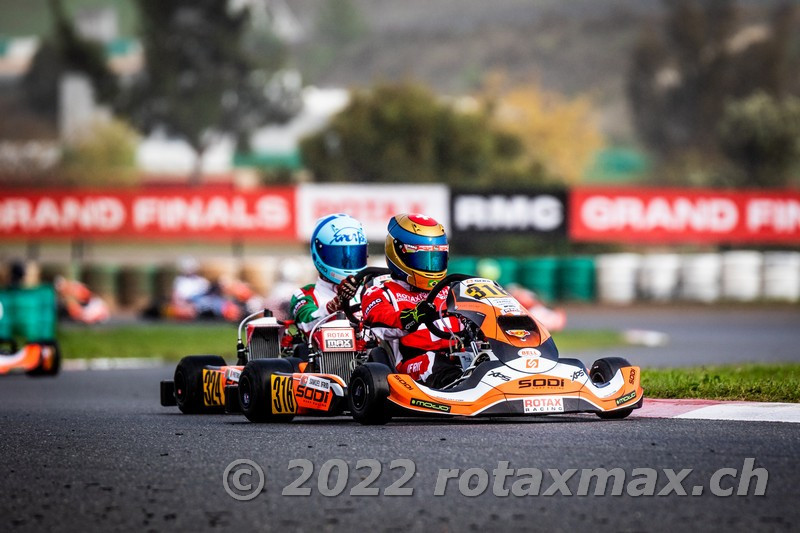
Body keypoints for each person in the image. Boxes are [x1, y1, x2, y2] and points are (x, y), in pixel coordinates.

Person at [361, 213, 463, 389]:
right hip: (410, 366)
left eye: (436, 259)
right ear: (398, 253)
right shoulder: (380, 292)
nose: (430, 267)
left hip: (458, 355)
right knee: (432, 362)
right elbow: (381, 322)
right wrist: (414, 316)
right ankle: (459, 386)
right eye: (422, 259)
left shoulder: (450, 290)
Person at [289, 214, 367, 338]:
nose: (347, 263)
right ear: (318, 253)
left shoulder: (371, 291)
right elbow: (306, 324)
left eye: (354, 255)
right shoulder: (305, 295)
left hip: (373, 355)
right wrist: (336, 304)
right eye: (338, 256)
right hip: (325, 356)